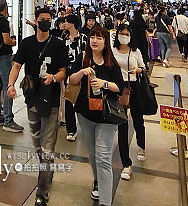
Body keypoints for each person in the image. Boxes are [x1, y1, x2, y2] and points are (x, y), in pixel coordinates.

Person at [7, 8, 69, 206]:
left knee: (47, 147)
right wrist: (10, 85)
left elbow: (63, 71)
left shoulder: (58, 45)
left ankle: (42, 193)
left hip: (50, 101)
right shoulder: (27, 43)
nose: (45, 23)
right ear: (36, 21)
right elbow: (16, 65)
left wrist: (54, 77)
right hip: (32, 100)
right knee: (38, 147)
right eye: (42, 20)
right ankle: (47, 171)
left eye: (48, 20)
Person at [68, 26, 124, 206]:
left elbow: (120, 87)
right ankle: (98, 181)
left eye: (99, 38)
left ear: (106, 42)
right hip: (85, 115)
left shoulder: (111, 64)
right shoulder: (83, 59)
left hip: (107, 117)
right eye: (93, 37)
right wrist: (82, 72)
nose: (95, 41)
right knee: (93, 155)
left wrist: (104, 83)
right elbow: (72, 80)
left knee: (103, 159)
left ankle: (105, 202)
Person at [111, 24, 147, 180]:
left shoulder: (135, 52)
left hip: (134, 87)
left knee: (138, 120)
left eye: (126, 34)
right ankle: (126, 163)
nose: (124, 36)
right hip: (119, 88)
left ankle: (141, 146)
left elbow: (143, 68)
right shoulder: (111, 52)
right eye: (121, 33)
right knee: (122, 125)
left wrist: (137, 70)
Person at [0, 0, 24, 132]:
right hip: (3, 57)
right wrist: (14, 41)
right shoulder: (3, 21)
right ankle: (8, 120)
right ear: (5, 8)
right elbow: (6, 40)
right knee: (8, 86)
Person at [62, 13, 86, 142]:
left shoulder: (83, 38)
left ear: (73, 23)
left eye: (67, 21)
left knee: (82, 100)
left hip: (81, 72)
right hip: (68, 73)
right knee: (69, 100)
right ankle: (71, 130)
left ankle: (85, 126)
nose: (64, 23)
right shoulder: (63, 37)